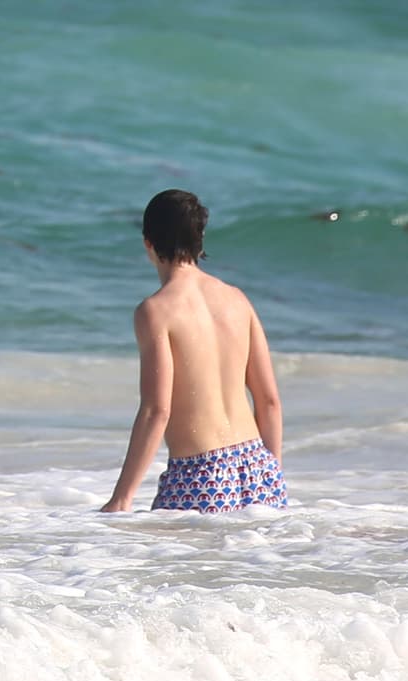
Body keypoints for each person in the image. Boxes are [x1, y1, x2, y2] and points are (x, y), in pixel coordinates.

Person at [102, 189, 288, 514]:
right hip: (259, 467)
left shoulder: (156, 311)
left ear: (148, 242)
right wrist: (271, 474)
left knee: (174, 565)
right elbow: (269, 401)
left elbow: (156, 411)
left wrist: (122, 498)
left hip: (200, 477)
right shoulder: (236, 299)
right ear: (199, 238)